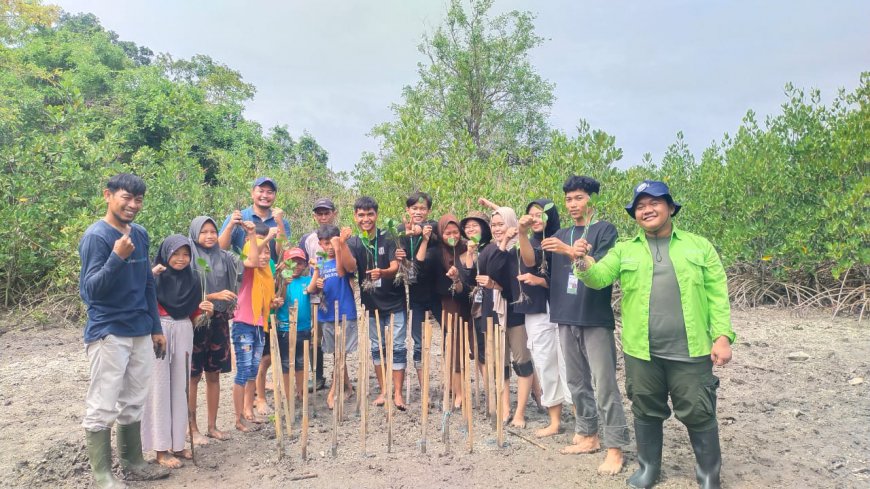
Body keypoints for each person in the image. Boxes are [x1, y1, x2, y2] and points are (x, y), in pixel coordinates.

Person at [574, 180, 735, 489]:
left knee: (700, 412)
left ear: (671, 207)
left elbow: (718, 294)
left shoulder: (699, 246)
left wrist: (723, 336)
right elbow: (597, 277)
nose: (646, 210)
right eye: (639, 206)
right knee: (646, 411)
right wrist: (581, 260)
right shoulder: (624, 250)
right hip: (642, 352)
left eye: (654, 203)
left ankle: (707, 475)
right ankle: (648, 469)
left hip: (692, 350)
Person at [79, 173, 169, 488]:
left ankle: (133, 462)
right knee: (103, 401)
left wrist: (156, 327)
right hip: (108, 330)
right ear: (108, 195)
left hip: (140, 328)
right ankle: (103, 474)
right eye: (125, 198)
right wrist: (117, 257)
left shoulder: (140, 234)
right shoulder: (97, 236)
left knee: (134, 399)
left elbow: (147, 282)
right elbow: (90, 292)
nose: (132, 205)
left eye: (138, 199)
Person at [540, 175, 628, 474]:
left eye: (579, 197)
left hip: (594, 317)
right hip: (565, 315)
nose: (573, 204)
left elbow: (601, 269)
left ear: (592, 199)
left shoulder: (605, 230)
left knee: (605, 383)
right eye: (568, 199)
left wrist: (569, 251)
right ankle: (588, 434)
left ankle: (615, 447)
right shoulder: (562, 231)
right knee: (576, 381)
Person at [143, 235, 213, 469]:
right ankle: (161, 449)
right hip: (159, 331)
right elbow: (144, 305)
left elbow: (194, 316)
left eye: (186, 254)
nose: (181, 259)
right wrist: (150, 276)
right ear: (165, 254)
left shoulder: (193, 279)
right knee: (160, 388)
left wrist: (205, 312)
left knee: (181, 388)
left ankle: (179, 443)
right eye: (176, 254)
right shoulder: (154, 278)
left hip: (184, 330)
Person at [342, 196, 407, 410]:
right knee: (377, 348)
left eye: (370, 214)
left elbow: (395, 266)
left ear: (376, 215)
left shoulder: (388, 237)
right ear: (355, 216)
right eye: (361, 215)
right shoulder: (354, 242)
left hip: (395, 302)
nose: (366, 219)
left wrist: (383, 272)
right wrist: (340, 243)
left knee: (397, 347)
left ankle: (397, 393)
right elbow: (350, 267)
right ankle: (384, 391)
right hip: (371, 305)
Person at [517, 200, 572, 437]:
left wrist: (543, 282)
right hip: (538, 311)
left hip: (563, 309)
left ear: (550, 216)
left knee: (569, 364)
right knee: (544, 362)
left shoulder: (563, 239)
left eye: (540, 214)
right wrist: (521, 232)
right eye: (531, 215)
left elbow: (571, 276)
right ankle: (555, 421)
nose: (535, 218)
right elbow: (530, 261)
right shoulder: (529, 242)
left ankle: (583, 421)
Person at [479, 207, 535, 427]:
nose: (496, 229)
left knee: (522, 363)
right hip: (494, 312)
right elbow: (489, 271)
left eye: (501, 224)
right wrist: (501, 245)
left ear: (511, 224)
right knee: (500, 364)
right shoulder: (490, 249)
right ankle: (505, 407)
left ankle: (520, 412)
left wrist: (497, 284)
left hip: (517, 312)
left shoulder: (521, 249)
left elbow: (511, 281)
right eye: (493, 225)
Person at [187, 216, 240, 445]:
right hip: (196, 320)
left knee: (214, 373)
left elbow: (245, 262)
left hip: (219, 318)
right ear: (194, 234)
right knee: (193, 376)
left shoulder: (224, 256)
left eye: (212, 231)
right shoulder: (187, 257)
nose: (209, 236)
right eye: (204, 232)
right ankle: (192, 428)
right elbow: (183, 293)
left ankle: (212, 426)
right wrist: (213, 296)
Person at [418, 214, 472, 409]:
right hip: (448, 305)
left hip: (469, 302)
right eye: (447, 232)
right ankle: (458, 393)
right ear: (441, 234)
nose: (452, 235)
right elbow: (420, 266)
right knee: (454, 347)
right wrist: (424, 240)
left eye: (455, 231)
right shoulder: (436, 252)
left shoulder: (468, 247)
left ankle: (456, 386)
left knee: (467, 347)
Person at [231, 223, 282, 432]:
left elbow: (264, 302)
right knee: (243, 371)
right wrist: (266, 237)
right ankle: (238, 417)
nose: (263, 255)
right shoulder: (246, 266)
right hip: (243, 324)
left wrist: (272, 304)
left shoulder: (266, 275)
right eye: (261, 250)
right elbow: (252, 257)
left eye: (267, 252)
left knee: (253, 369)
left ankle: (248, 411)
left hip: (260, 325)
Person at [308, 225, 358, 409]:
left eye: (331, 242)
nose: (329, 246)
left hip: (345, 311)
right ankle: (348, 387)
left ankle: (334, 391)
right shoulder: (318, 263)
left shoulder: (343, 255)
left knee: (341, 352)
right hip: (326, 313)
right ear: (320, 244)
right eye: (325, 243)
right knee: (336, 353)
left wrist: (339, 247)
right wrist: (317, 280)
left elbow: (341, 272)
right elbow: (312, 289)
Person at [395, 192, 442, 388]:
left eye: (422, 208)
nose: (418, 211)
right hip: (415, 295)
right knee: (418, 341)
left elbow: (437, 230)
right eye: (414, 208)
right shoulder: (399, 230)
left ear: (428, 211)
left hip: (438, 293)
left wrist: (418, 231)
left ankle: (452, 383)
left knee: (450, 335)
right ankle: (424, 388)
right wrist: (407, 234)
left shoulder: (433, 226)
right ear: (408, 210)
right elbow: (392, 236)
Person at [296, 198, 336, 392]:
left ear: (334, 214)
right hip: (315, 296)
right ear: (314, 216)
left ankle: (340, 378)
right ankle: (318, 376)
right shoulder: (307, 239)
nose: (323, 217)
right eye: (319, 213)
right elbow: (299, 263)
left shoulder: (339, 237)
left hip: (336, 294)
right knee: (315, 336)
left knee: (337, 335)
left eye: (326, 213)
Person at [218, 176, 290, 261]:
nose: (265, 195)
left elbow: (284, 255)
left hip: (270, 272)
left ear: (275, 195)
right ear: (252, 193)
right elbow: (219, 249)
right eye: (261, 191)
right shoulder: (238, 217)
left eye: (269, 192)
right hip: (242, 272)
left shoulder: (282, 222)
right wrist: (230, 226)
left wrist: (280, 224)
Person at [274, 248, 313, 403]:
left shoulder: (307, 281)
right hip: (284, 328)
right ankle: (288, 395)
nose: (296, 266)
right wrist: (283, 282)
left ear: (304, 265)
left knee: (301, 362)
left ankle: (301, 393)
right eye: (292, 262)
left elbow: (314, 288)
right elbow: (278, 301)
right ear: (285, 264)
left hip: (304, 329)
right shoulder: (278, 280)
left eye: (299, 262)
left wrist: (316, 269)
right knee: (285, 362)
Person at [460, 211, 492, 381]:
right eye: (467, 226)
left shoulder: (492, 246)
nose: (470, 229)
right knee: (480, 348)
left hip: (494, 304)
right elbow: (468, 279)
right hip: (477, 307)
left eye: (475, 225)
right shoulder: (467, 251)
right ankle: (490, 389)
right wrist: (471, 254)